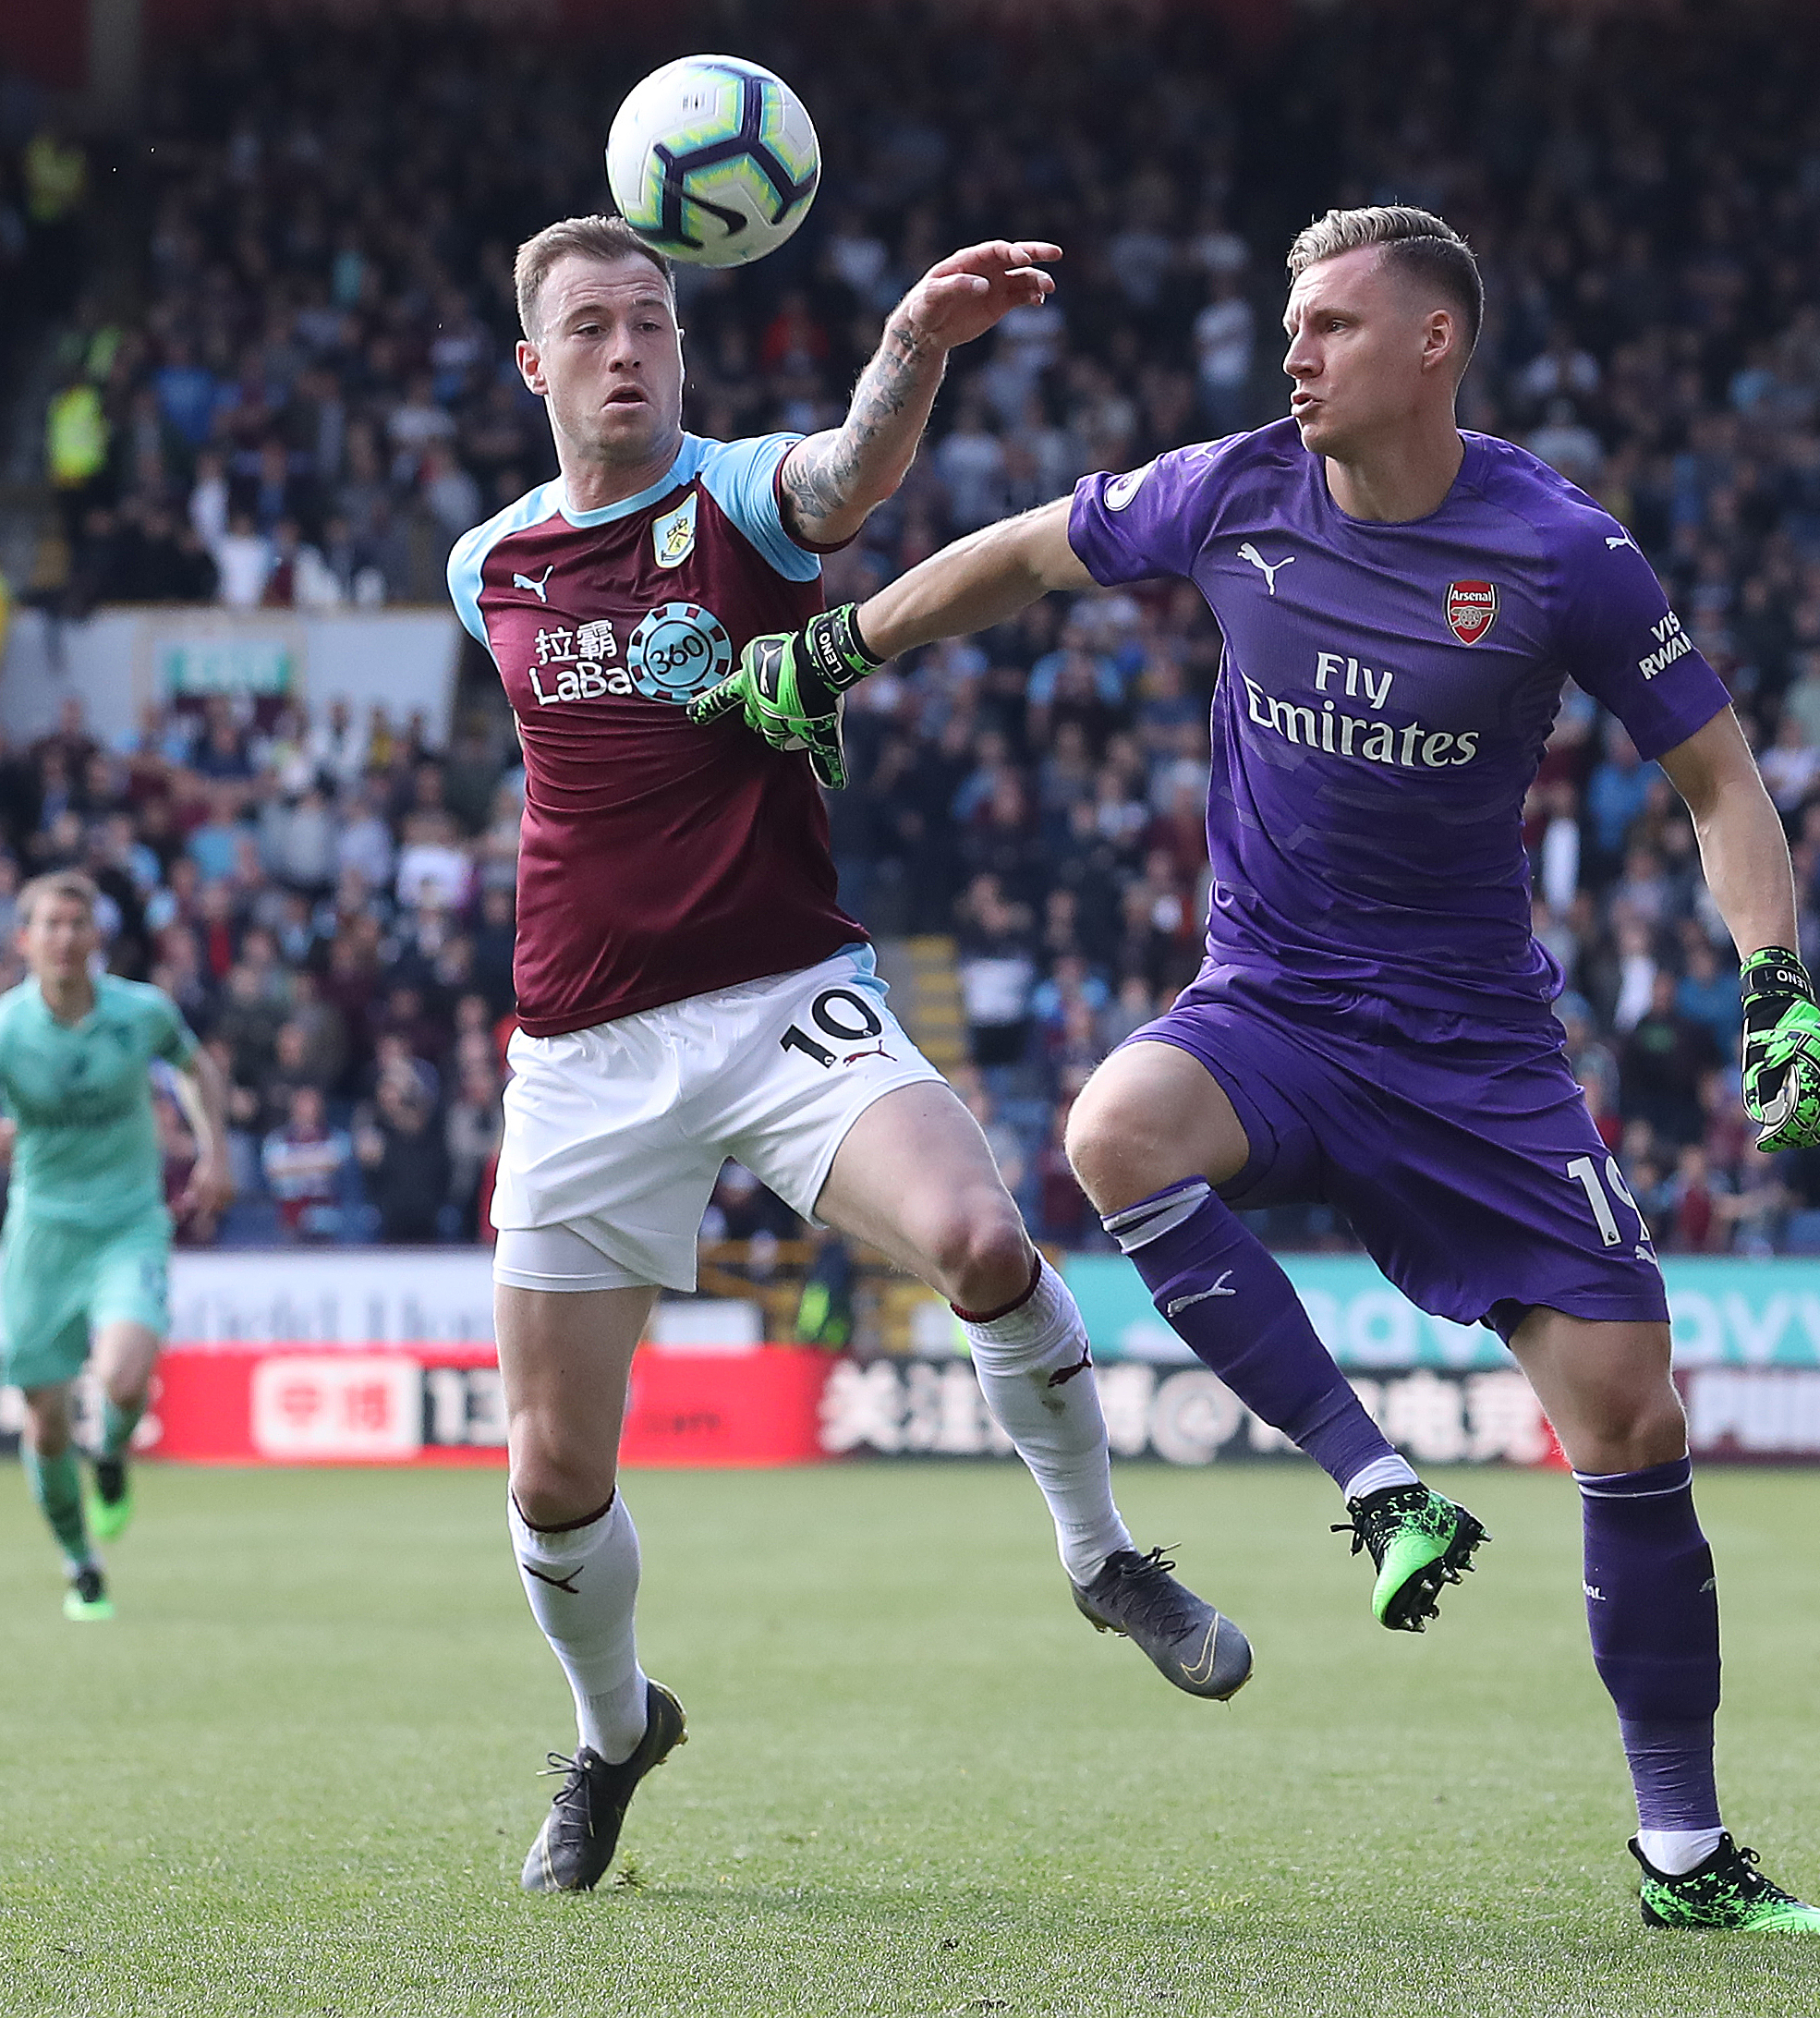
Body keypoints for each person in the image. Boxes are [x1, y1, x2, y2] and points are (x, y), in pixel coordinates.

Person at [705, 205, 1820, 1933]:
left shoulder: (1562, 552)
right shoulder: (1234, 488)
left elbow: (1718, 781)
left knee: (1632, 1415)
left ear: (1433, 344)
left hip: (1474, 1052)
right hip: (1276, 1007)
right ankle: (1374, 1479)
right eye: (1292, 321)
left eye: (1329, 324)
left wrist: (1777, 982)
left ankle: (1684, 1852)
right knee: (1113, 1127)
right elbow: (1023, 553)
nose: (1295, 353)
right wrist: (843, 642)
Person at [444, 216, 1247, 1897]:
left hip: (785, 995)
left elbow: (848, 479)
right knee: (551, 1468)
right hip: (585, 1048)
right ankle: (611, 1733)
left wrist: (918, 345)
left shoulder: (732, 493)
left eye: (649, 321)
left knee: (982, 1238)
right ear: (535, 365)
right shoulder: (491, 566)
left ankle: (1103, 1558)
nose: (624, 350)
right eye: (589, 327)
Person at [0, 873, 228, 1620]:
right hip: (42, 1234)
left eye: (77, 924)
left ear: (97, 937)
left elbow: (197, 1069)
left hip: (129, 1222)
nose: (64, 938)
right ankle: (79, 1562)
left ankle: (114, 1452)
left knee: (123, 1379)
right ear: (24, 941)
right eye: (49, 925)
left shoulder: (141, 1013)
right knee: (45, 1417)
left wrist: (215, 1154)